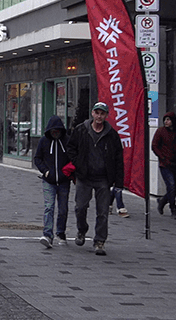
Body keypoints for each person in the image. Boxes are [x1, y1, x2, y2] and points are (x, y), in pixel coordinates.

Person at [66, 102, 124, 256]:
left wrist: (119, 182)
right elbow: (70, 148)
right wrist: (79, 164)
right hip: (84, 176)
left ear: (106, 115)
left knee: (103, 211)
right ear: (92, 113)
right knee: (80, 207)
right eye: (97, 113)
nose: (99, 116)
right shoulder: (81, 130)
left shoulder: (112, 135)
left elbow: (119, 158)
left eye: (102, 113)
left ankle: (99, 241)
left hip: (103, 178)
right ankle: (81, 230)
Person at [33, 115, 71, 248]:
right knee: (49, 207)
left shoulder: (67, 141)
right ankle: (47, 235)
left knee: (63, 209)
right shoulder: (44, 141)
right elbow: (37, 159)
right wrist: (45, 171)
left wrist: (67, 172)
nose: (56, 133)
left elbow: (73, 158)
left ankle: (61, 233)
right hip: (48, 180)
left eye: (58, 131)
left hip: (64, 181)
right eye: (53, 131)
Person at [152, 111, 176, 219]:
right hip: (165, 163)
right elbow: (155, 146)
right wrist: (162, 157)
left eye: (168, 120)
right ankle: (173, 208)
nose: (166, 122)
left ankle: (163, 200)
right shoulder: (161, 131)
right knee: (171, 185)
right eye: (165, 119)